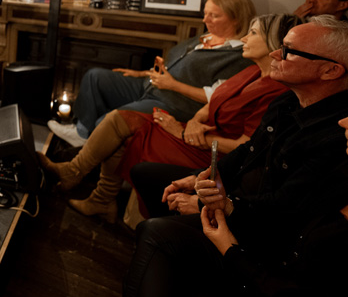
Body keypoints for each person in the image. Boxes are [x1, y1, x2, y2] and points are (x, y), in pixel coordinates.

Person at [123, 15, 348, 297]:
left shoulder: (338, 132)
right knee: (146, 174)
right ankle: (181, 269)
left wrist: (216, 205)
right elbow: (248, 151)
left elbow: (285, 212)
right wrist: (201, 176)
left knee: (155, 232)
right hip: (245, 202)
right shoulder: (287, 101)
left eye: (288, 51)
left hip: (265, 237)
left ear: (331, 70)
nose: (275, 54)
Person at [37, 13, 297, 223]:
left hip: (214, 153)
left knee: (126, 125)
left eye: (253, 33)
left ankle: (91, 189)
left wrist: (185, 133)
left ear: (273, 42)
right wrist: (194, 121)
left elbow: (246, 147)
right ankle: (93, 191)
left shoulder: (275, 90)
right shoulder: (252, 72)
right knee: (120, 116)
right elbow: (213, 100)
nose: (245, 38)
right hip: (196, 131)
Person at [49, 0, 256, 147]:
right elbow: (174, 66)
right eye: (205, 14)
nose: (205, 20)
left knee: (106, 122)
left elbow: (217, 97)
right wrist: (142, 73)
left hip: (174, 103)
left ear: (236, 18)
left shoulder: (238, 56)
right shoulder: (204, 38)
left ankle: (89, 144)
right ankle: (82, 133)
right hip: (152, 85)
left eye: (214, 16)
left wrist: (173, 85)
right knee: (95, 77)